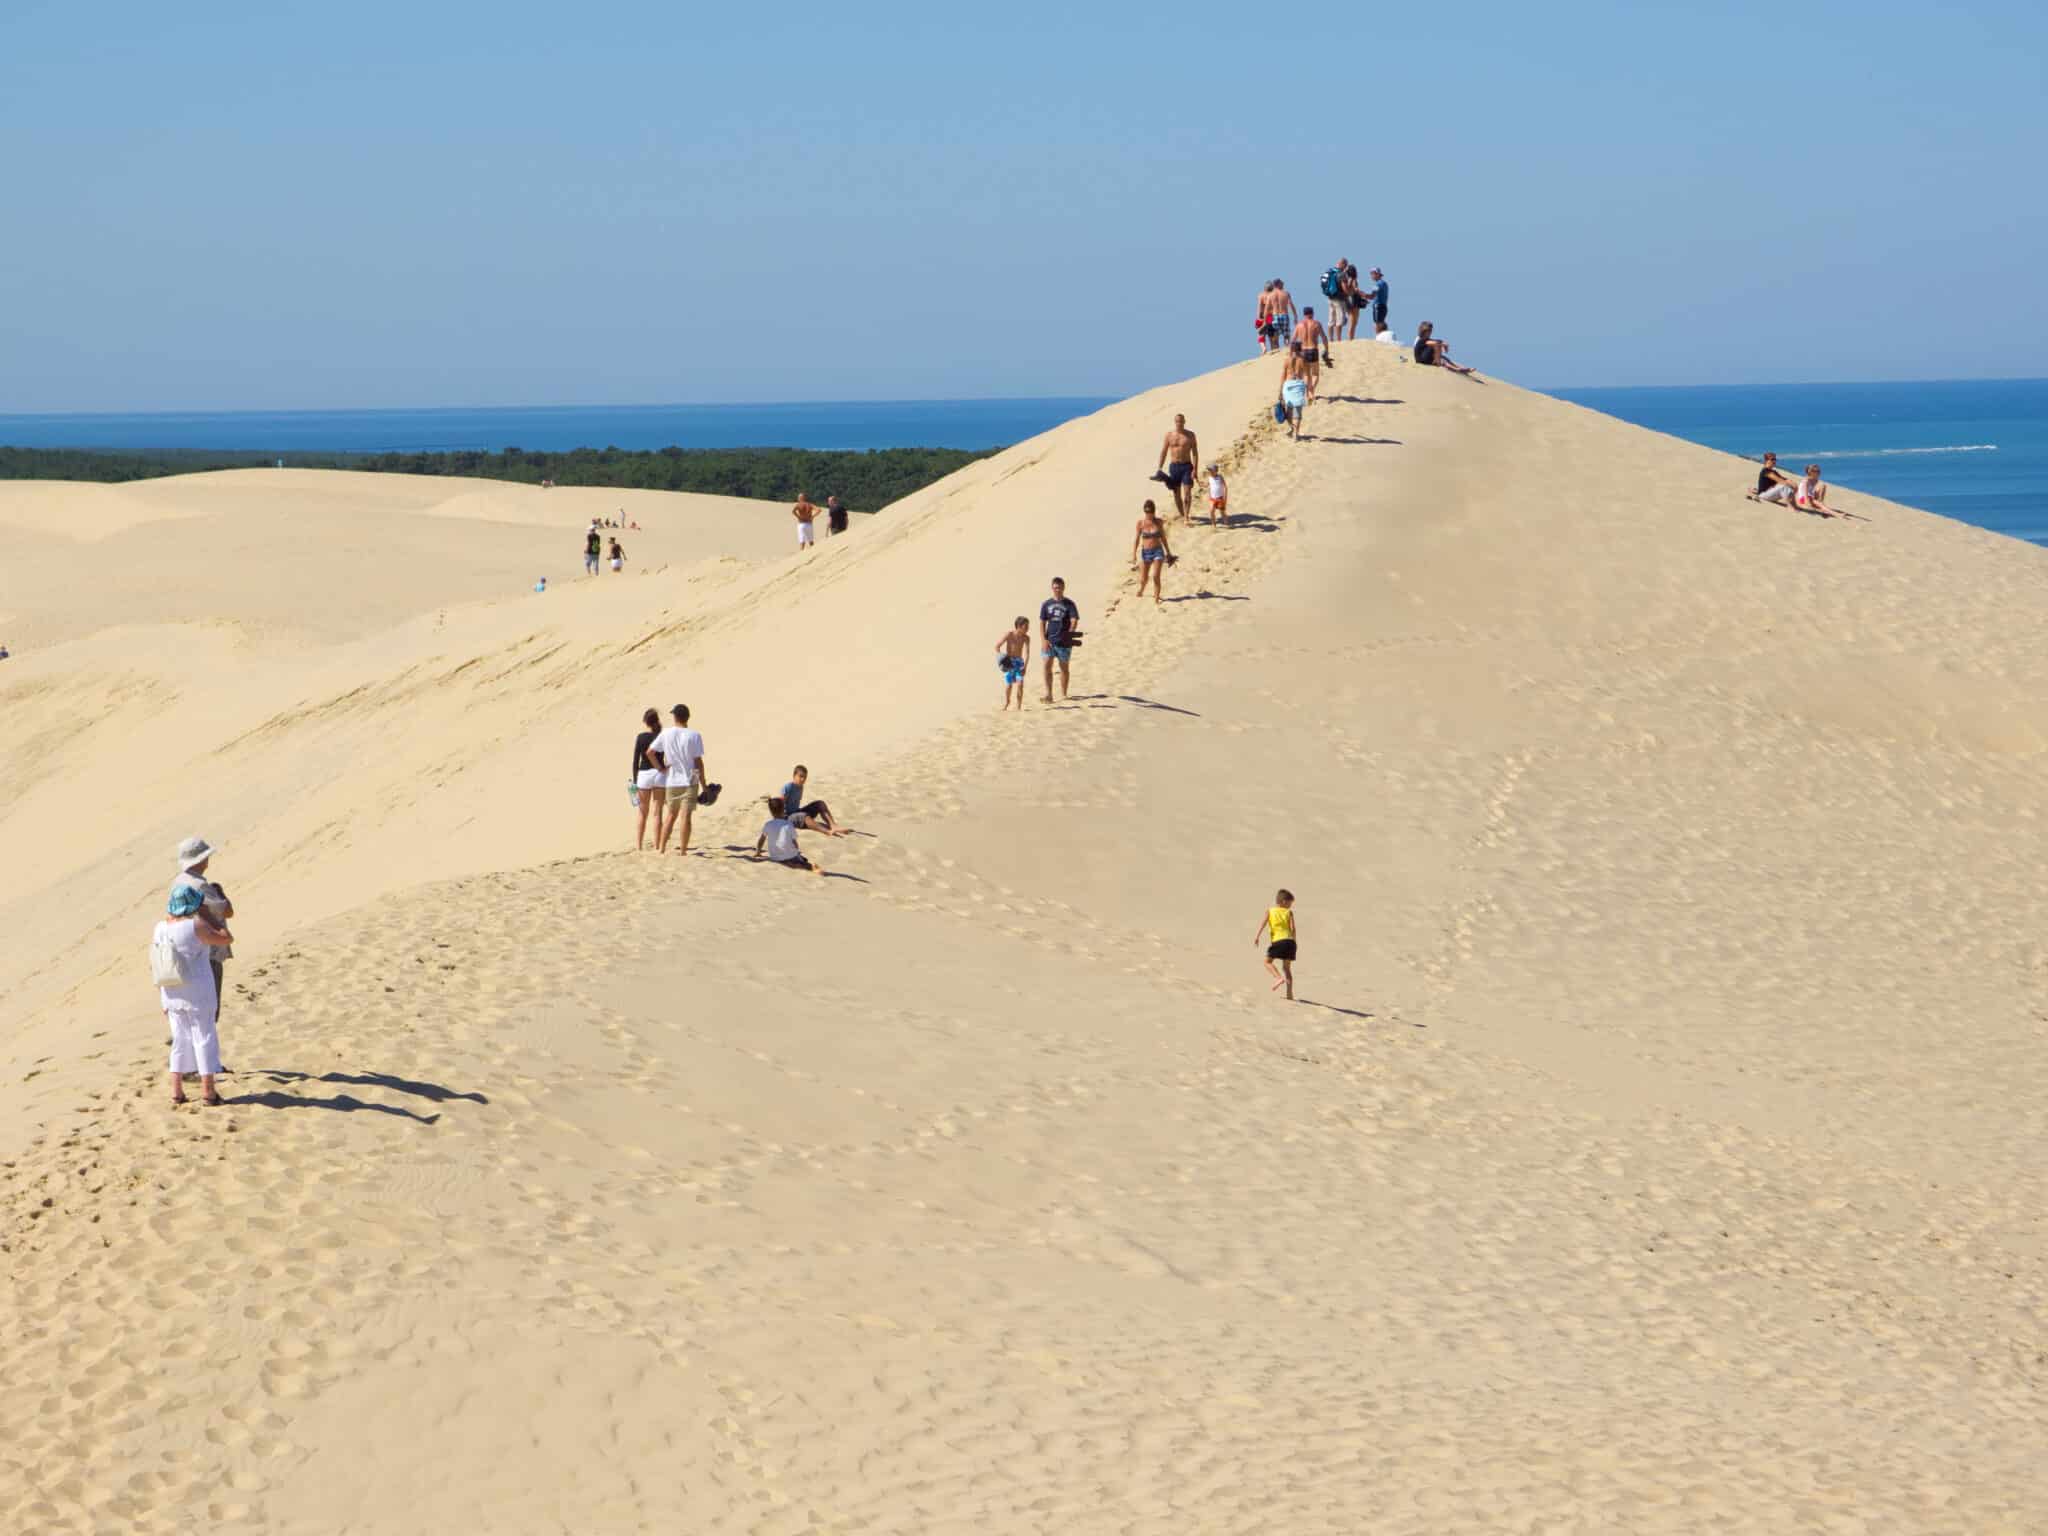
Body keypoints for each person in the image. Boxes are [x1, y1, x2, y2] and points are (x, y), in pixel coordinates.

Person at [157, 884, 232, 1105]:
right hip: (198, 991)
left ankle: (176, 1091)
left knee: (180, 1040)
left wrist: (162, 997)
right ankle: (208, 1092)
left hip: (171, 990)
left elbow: (157, 962)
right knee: (204, 1038)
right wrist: (209, 916)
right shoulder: (196, 925)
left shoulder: (160, 928)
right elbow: (226, 938)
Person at [171, 838, 233, 1034]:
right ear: (200, 860)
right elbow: (227, 911)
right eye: (206, 857)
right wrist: (220, 892)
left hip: (185, 950)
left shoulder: (177, 881)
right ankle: (207, 1059)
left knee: (190, 1007)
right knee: (209, 1009)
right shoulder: (200, 885)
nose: (208, 860)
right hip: (208, 952)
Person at [652, 704, 707, 857]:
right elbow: (698, 763)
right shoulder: (694, 735)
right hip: (691, 779)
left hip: (671, 780)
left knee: (670, 815)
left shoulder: (666, 733)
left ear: (675, 717)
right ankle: (683, 851)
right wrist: (703, 785)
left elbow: (650, 752)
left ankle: (662, 848)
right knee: (686, 816)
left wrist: (661, 768)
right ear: (687, 717)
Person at [755, 797, 824, 874]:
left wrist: (758, 852)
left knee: (792, 859)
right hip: (790, 855)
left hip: (774, 857)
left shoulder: (768, 825)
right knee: (799, 859)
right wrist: (796, 850)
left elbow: (761, 840)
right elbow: (795, 842)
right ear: (783, 810)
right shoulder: (788, 824)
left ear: (771, 812)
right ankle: (809, 866)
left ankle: (799, 863)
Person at [1039, 578, 1080, 703]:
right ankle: (1049, 694)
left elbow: (1074, 619)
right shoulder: (1046, 604)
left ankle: (1064, 694)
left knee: (1064, 668)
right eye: (1055, 587)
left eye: (1060, 587)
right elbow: (1042, 622)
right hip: (1049, 641)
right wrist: (1043, 640)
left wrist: (1071, 631)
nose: (1057, 589)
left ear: (1063, 588)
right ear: (1052, 588)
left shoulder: (1069, 604)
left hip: (1064, 642)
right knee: (1046, 666)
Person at [631, 707, 666, 850]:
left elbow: (635, 761)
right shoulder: (662, 736)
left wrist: (634, 782)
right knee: (657, 813)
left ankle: (639, 846)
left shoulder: (641, 737)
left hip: (644, 775)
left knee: (642, 813)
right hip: (659, 774)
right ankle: (658, 846)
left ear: (646, 722)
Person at [781, 764, 850, 835]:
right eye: (800, 776)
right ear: (794, 776)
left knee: (820, 803)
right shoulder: (788, 787)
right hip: (787, 818)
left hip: (796, 812)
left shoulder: (801, 787)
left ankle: (833, 826)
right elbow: (780, 803)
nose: (803, 779)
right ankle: (827, 832)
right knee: (803, 816)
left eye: (805, 777)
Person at [1255, 888, 1299, 1001]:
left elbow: (1263, 924)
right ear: (1283, 901)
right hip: (1290, 942)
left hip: (1278, 941)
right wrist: (1294, 941)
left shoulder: (1270, 911)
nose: (1290, 906)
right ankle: (1289, 994)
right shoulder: (1289, 912)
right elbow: (1293, 928)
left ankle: (1278, 978)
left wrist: (1257, 936)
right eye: (1290, 903)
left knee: (1267, 962)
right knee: (1287, 968)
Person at [1157, 414, 1200, 521]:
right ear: (1174, 422)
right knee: (1176, 494)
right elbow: (1164, 451)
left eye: (1181, 421)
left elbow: (1194, 453)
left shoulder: (1190, 435)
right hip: (1174, 467)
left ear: (1184, 421)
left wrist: (1195, 469)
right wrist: (1160, 468)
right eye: (1177, 421)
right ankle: (1182, 514)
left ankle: (1186, 516)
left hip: (1186, 466)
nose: (1179, 423)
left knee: (1187, 493)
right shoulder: (1169, 435)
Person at [1131, 499, 1175, 605]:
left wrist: (1168, 552)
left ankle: (1156, 598)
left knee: (1155, 575)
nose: (1148, 515)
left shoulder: (1159, 522)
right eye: (1146, 512)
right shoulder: (1140, 523)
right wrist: (1134, 555)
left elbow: (1163, 537)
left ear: (1153, 511)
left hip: (1157, 551)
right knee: (1143, 579)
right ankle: (1142, 589)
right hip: (1145, 553)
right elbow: (1136, 539)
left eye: (1150, 512)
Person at [1759, 464, 1843, 517]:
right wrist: (1811, 507)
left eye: (1819, 471)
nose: (1819, 472)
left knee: (1823, 486)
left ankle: (1823, 507)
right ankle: (1836, 514)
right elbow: (1805, 496)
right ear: (1812, 472)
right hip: (1802, 499)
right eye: (1817, 471)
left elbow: (1812, 493)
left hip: (1810, 498)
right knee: (1816, 502)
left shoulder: (1815, 481)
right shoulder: (1806, 481)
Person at [1414, 321, 1479, 377]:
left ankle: (1460, 367)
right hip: (1421, 360)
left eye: (1431, 330)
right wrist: (1443, 345)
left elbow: (1437, 341)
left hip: (1425, 358)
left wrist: (1444, 343)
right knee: (1439, 350)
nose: (1431, 332)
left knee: (1445, 358)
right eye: (1429, 330)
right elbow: (1432, 343)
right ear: (1424, 331)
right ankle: (1456, 369)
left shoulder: (1427, 339)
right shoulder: (1421, 340)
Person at [996, 616, 1031, 710]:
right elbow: (997, 646)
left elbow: (1027, 653)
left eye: (1028, 626)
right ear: (1019, 626)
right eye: (1026, 626)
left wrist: (1025, 667)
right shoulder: (1009, 634)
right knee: (1009, 685)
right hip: (1009, 663)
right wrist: (1001, 658)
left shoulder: (1026, 638)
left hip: (1019, 663)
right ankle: (1007, 703)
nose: (1028, 628)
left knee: (1020, 684)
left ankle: (1019, 706)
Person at [1279, 351, 1311, 440]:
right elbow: (1306, 375)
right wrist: (1308, 389)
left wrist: (1280, 390)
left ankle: (1292, 429)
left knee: (1289, 410)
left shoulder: (1286, 360)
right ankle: (1296, 434)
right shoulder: (1302, 360)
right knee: (1298, 412)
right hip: (1298, 385)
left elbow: (1283, 376)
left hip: (1288, 385)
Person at [1294, 310, 1325, 399]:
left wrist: (1294, 353)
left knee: (1306, 375)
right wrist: (1326, 348)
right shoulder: (1316, 324)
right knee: (1315, 374)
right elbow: (1323, 337)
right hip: (1313, 350)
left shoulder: (1299, 325)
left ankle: (1309, 392)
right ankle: (1311, 390)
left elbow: (1293, 340)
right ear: (1312, 314)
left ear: (1304, 315)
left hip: (1303, 351)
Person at [1269, 279, 1297, 352]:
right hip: (1284, 315)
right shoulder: (1285, 293)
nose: (1283, 284)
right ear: (1278, 284)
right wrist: (1295, 316)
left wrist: (1266, 320)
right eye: (1282, 283)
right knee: (1286, 335)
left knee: (1276, 336)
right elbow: (1291, 305)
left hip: (1275, 316)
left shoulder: (1271, 295)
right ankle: (1287, 349)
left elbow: (1267, 309)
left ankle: (1276, 351)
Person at [1255, 281, 1276, 355]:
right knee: (1271, 335)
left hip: (1263, 316)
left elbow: (1259, 307)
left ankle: (1264, 348)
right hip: (1271, 316)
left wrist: (1258, 318)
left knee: (1261, 333)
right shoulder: (1273, 295)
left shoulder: (1261, 295)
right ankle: (1273, 349)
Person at [1367, 268, 1390, 336]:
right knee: (1381, 323)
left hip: (1378, 306)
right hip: (1383, 306)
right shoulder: (1384, 283)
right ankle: (1384, 337)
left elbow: (1372, 296)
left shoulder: (1378, 284)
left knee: (1378, 324)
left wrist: (1361, 294)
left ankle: (1378, 338)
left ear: (1377, 274)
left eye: (1372, 274)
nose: (1371, 276)